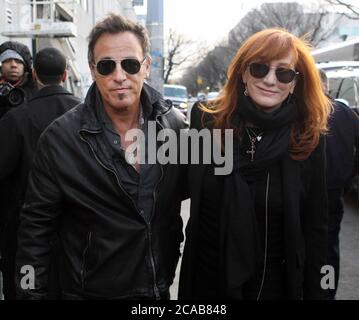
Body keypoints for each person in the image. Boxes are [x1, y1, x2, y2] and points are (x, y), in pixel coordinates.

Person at [15, 14, 187, 300]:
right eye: (107, 66)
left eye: (130, 64)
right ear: (93, 71)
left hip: (156, 293)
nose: (119, 76)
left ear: (146, 66)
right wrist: (29, 294)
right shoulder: (60, 139)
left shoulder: (175, 128)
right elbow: (34, 233)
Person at [179, 28, 331, 300]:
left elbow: (318, 229)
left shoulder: (307, 138)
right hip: (208, 286)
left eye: (283, 72)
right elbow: (175, 191)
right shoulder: (205, 122)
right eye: (259, 68)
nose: (271, 80)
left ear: (295, 82)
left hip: (274, 288)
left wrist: (321, 291)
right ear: (243, 73)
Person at [0, 47, 81, 300]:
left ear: (34, 74)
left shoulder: (15, 119)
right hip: (77, 231)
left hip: (23, 232)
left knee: (25, 288)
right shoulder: (87, 115)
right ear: (65, 74)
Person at [319, 70, 359, 300]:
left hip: (312, 193)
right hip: (334, 192)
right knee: (327, 249)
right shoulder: (345, 112)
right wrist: (348, 173)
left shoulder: (299, 111)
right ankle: (325, 292)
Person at [0, 41, 37, 118]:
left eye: (18, 61)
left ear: (25, 67)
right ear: (1, 66)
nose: (13, 65)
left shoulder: (35, 90)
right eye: (7, 61)